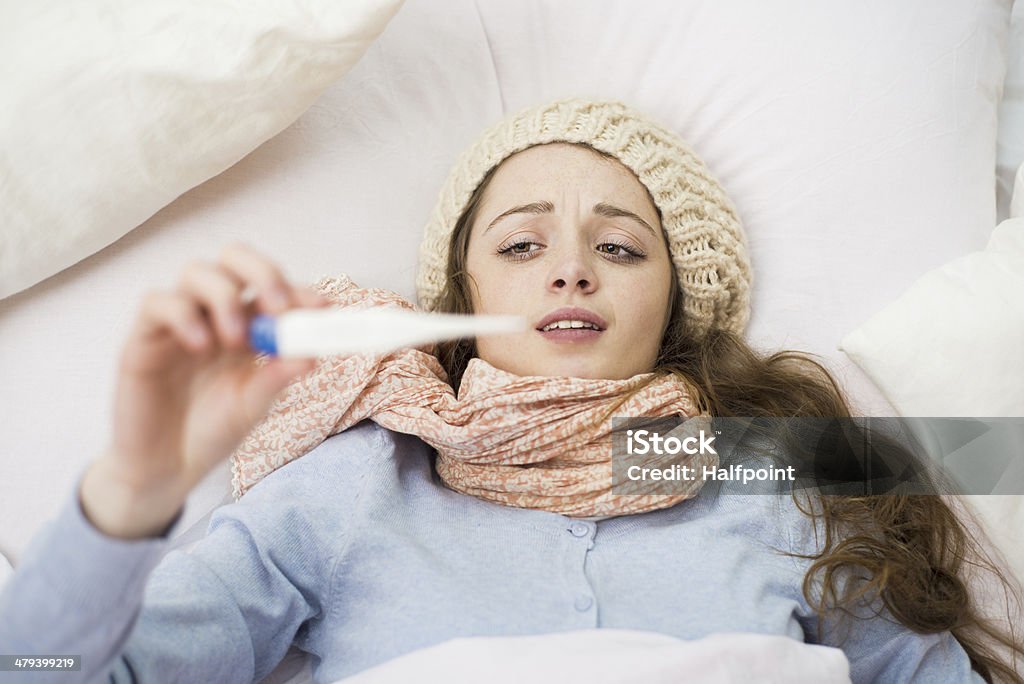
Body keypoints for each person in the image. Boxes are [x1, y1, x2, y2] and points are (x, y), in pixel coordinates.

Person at [1, 99, 1021, 684]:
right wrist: (132, 491)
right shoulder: (355, 483)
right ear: (464, 293)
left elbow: (987, 455)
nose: (570, 271)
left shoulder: (766, 462)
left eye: (617, 247)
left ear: (671, 308)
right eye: (522, 244)